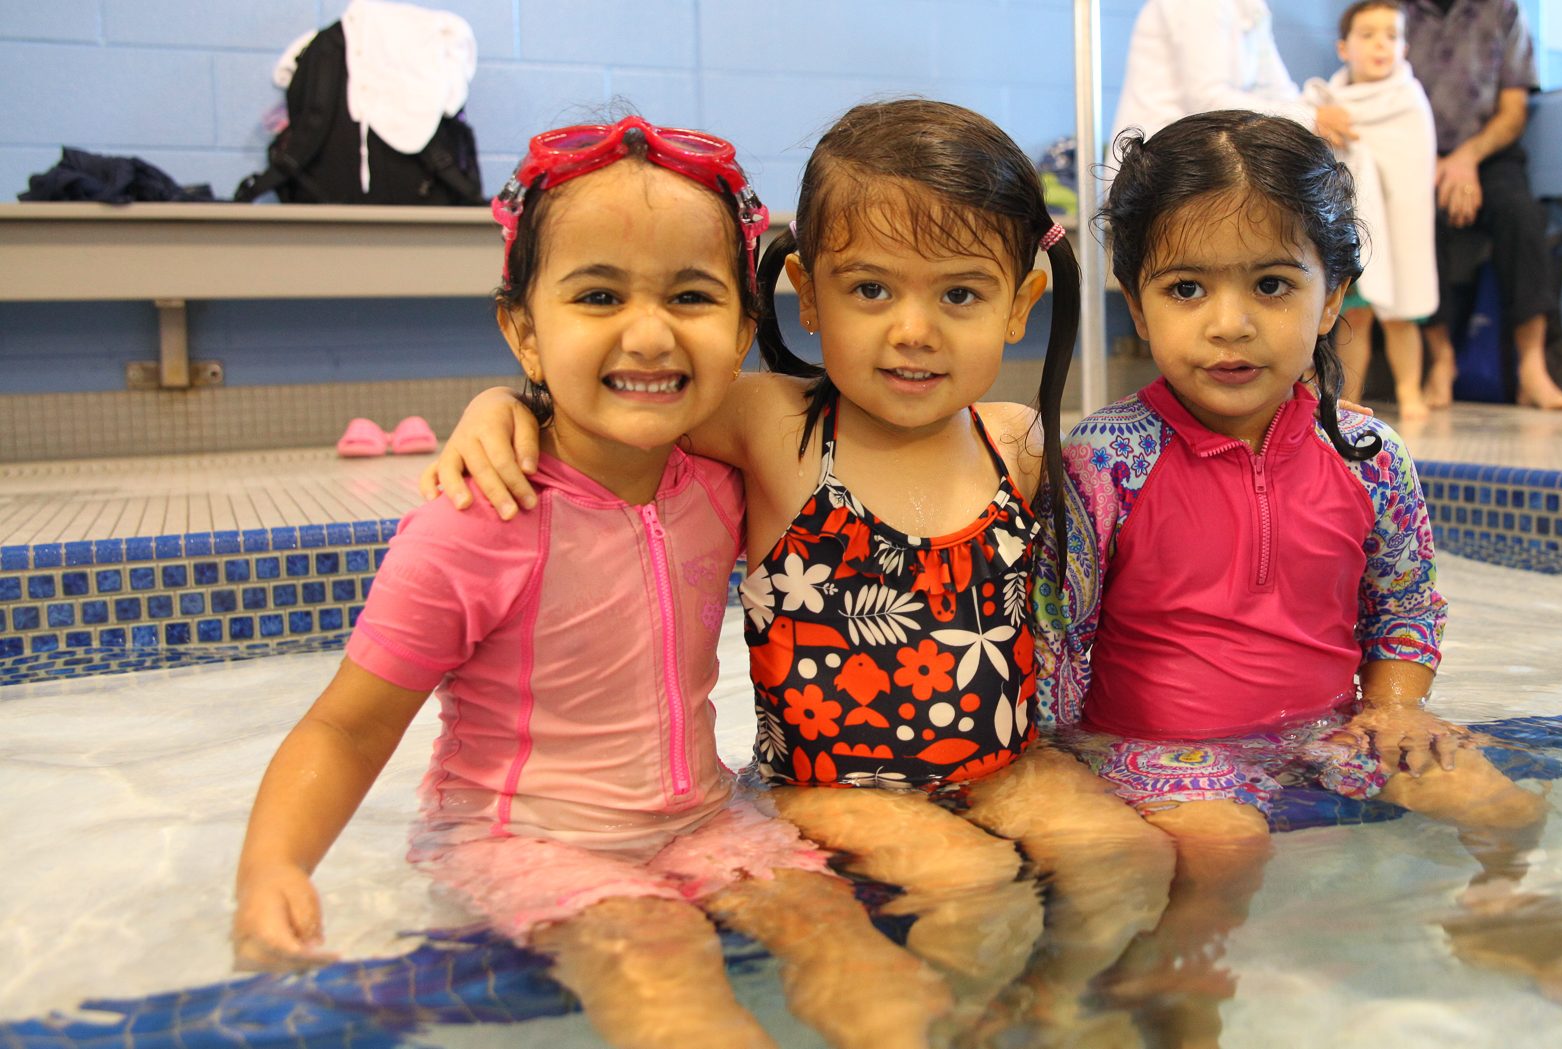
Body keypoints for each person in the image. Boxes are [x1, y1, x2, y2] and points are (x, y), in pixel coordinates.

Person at [421, 99, 1178, 1037]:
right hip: (828, 782)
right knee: (977, 883)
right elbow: (613, 407)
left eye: (960, 294)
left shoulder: (1014, 441)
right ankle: (947, 1021)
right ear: (806, 293)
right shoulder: (773, 425)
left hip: (1000, 761)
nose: (913, 330)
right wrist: (506, 405)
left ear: (1020, 304)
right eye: (871, 291)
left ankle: (1055, 1001)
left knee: (1132, 856)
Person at [230, 116, 950, 1049]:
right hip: (525, 839)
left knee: (862, 960)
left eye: (691, 296)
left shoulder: (724, 483)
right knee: (662, 962)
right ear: (524, 331)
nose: (648, 335)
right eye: (599, 294)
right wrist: (273, 867)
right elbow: (348, 721)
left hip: (700, 815)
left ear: (740, 332)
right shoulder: (478, 520)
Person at [1038, 109, 1562, 1048]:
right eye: (1187, 288)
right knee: (1226, 850)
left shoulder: (1365, 452)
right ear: (1138, 306)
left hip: (1324, 727)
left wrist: (1395, 708)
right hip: (1155, 749)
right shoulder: (1110, 458)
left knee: (1503, 800)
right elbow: (1057, 631)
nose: (1230, 325)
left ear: (1333, 293)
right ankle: (1179, 992)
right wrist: (1061, 768)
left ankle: (1508, 920)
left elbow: (1404, 604)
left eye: (1271, 284)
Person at [1402, 0, 1562, 410]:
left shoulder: (1501, 10)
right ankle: (1441, 360)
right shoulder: (1395, 12)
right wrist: (1434, 164)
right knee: (1414, 222)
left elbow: (1514, 112)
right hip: (1415, 156)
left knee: (1522, 216)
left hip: (1489, 154)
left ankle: (1533, 367)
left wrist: (1466, 159)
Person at [1302, 0, 1439, 421]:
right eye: (1368, 35)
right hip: (1356, 227)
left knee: (1401, 317)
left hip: (1400, 225)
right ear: (1344, 48)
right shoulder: (1328, 103)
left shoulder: (1409, 100)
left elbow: (1414, 163)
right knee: (1354, 317)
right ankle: (1348, 398)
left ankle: (1410, 391)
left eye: (1392, 36)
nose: (1382, 44)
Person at [1111, 0, 1354, 152]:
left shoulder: (1252, 6)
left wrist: (1317, 115)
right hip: (1159, 166)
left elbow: (1277, 87)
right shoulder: (1197, 5)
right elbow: (1207, 100)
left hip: (1201, 160)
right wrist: (1311, 119)